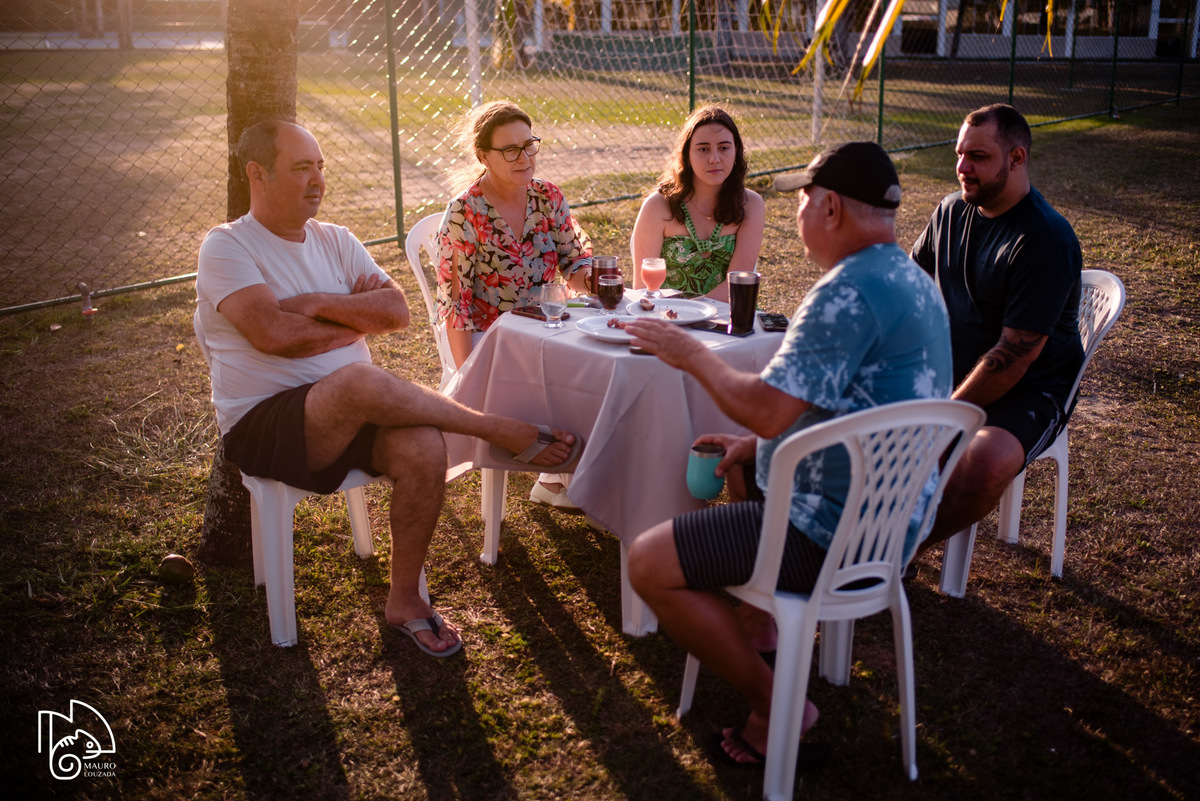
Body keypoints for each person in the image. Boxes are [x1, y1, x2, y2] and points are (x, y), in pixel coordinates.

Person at [194, 120, 581, 658]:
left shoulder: (337, 240)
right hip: (267, 425)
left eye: (321, 166)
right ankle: (493, 428)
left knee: (423, 444)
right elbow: (271, 334)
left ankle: (405, 600)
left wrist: (313, 304)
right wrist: (353, 320)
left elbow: (395, 311)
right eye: (301, 168)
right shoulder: (226, 246)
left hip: (350, 414)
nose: (317, 180)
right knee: (354, 379)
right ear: (257, 175)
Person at [623, 142, 952, 767]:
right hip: (891, 518)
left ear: (829, 208)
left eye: (803, 200)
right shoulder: (907, 278)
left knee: (647, 562)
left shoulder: (846, 294)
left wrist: (687, 352)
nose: (798, 215)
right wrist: (760, 445)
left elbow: (771, 408)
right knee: (746, 462)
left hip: (829, 531)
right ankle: (762, 629)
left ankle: (779, 703)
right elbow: (851, 407)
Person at [909, 104, 1083, 556]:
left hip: (1030, 388)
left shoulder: (1045, 239)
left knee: (984, 461)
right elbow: (909, 286)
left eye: (979, 157)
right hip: (956, 369)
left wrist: (943, 419)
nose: (962, 168)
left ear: (1017, 158)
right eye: (959, 154)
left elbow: (1013, 357)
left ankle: (900, 550)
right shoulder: (949, 211)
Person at [435, 100, 593, 510]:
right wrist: (467, 373)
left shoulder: (548, 196)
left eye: (530, 145)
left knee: (599, 365)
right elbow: (457, 305)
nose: (524, 158)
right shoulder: (463, 213)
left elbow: (573, 261)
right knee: (567, 376)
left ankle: (561, 479)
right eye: (510, 150)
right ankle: (563, 479)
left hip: (549, 325)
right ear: (483, 156)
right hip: (495, 338)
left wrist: (594, 279)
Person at [629, 104, 765, 301]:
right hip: (667, 320)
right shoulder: (657, 206)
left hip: (728, 320)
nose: (714, 159)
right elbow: (643, 291)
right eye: (703, 149)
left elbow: (736, 286)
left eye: (724, 148)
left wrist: (698, 314)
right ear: (687, 155)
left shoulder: (751, 204)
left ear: (737, 152)